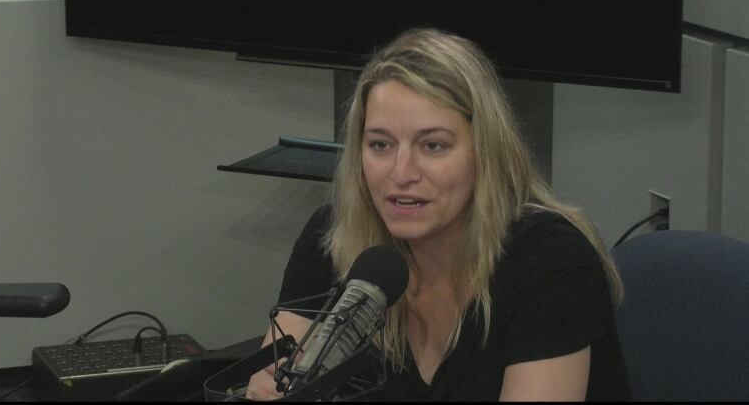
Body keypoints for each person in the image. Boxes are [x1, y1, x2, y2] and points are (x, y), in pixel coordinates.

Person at [245, 28, 631, 401]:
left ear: (483, 152)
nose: (402, 173)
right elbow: (273, 381)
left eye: (433, 146)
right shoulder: (333, 237)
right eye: (380, 144)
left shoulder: (551, 262)